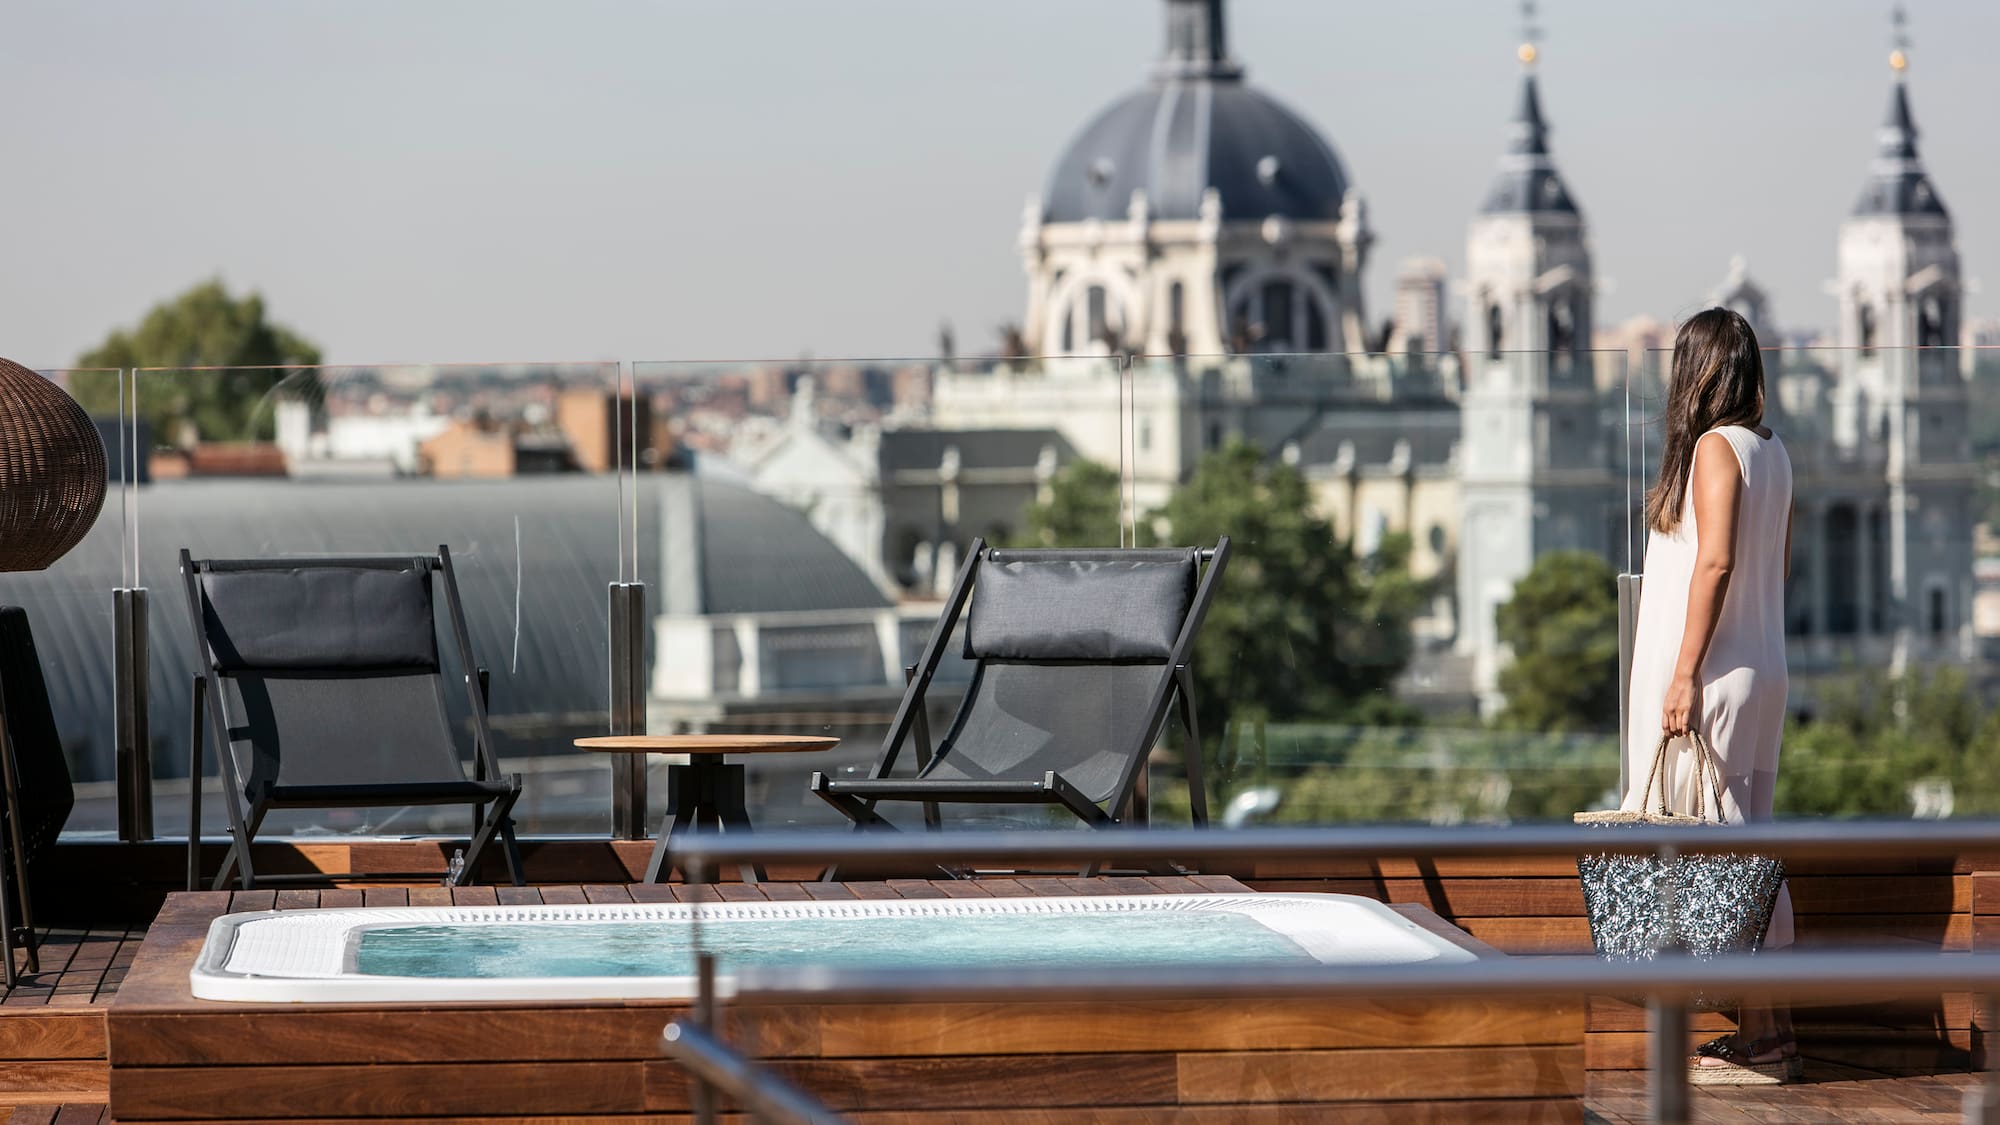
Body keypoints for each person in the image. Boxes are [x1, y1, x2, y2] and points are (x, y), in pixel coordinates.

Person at [1624, 307, 1799, 1085]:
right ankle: (1774, 1030)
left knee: (1722, 853)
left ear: (1695, 373)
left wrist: (1684, 669)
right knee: (1750, 850)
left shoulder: (1713, 449)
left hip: (1715, 677)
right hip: (1762, 666)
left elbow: (1716, 563)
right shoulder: (1775, 452)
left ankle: (1763, 1039)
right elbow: (1772, 569)